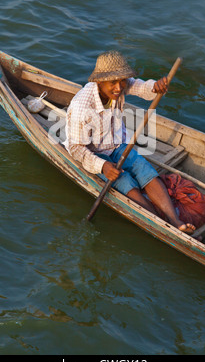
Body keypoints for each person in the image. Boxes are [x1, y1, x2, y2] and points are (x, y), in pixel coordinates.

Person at [64, 50, 195, 235]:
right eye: (113, 83)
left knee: (143, 168)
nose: (119, 88)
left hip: (117, 144)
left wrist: (155, 87)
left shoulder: (121, 85)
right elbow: (76, 149)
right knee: (124, 180)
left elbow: (139, 87)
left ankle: (174, 220)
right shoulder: (81, 107)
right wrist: (103, 166)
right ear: (99, 82)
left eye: (122, 81)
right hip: (95, 153)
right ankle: (159, 223)